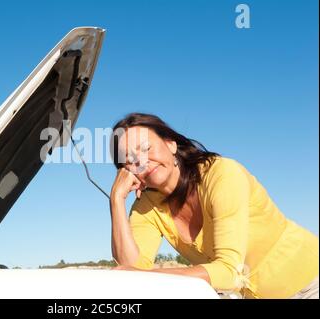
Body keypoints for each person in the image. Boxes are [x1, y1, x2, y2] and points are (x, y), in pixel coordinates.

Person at [109, 112, 318, 299]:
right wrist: (117, 200)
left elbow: (229, 273)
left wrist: (145, 276)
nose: (142, 162)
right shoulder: (146, 206)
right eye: (129, 161)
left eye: (146, 148)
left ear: (170, 144)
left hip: (310, 283)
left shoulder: (222, 174)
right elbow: (132, 269)